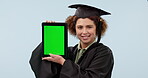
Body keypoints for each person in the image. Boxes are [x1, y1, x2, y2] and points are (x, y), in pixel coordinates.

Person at [29, 4, 114, 78]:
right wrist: (50, 37)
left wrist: (63, 62)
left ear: (97, 29)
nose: (84, 32)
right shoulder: (69, 51)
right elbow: (45, 71)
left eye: (89, 27)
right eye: (80, 27)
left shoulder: (103, 53)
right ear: (74, 28)